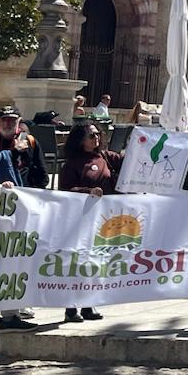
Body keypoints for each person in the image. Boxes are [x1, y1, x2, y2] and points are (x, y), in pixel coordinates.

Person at [0, 107, 47, 330]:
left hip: (24, 210)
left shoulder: (31, 142)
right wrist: (16, 153)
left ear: (19, 122)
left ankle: (17, 305)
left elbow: (42, 175)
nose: (8, 124)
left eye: (12, 120)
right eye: (3, 120)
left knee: (22, 258)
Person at [58, 123, 122, 324]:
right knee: (77, 263)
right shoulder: (73, 164)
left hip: (104, 219)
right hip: (80, 218)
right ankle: (71, 306)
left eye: (97, 134)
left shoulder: (105, 157)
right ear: (80, 140)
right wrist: (88, 192)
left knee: (96, 261)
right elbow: (65, 191)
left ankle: (88, 303)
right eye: (90, 135)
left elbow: (131, 161)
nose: (95, 138)